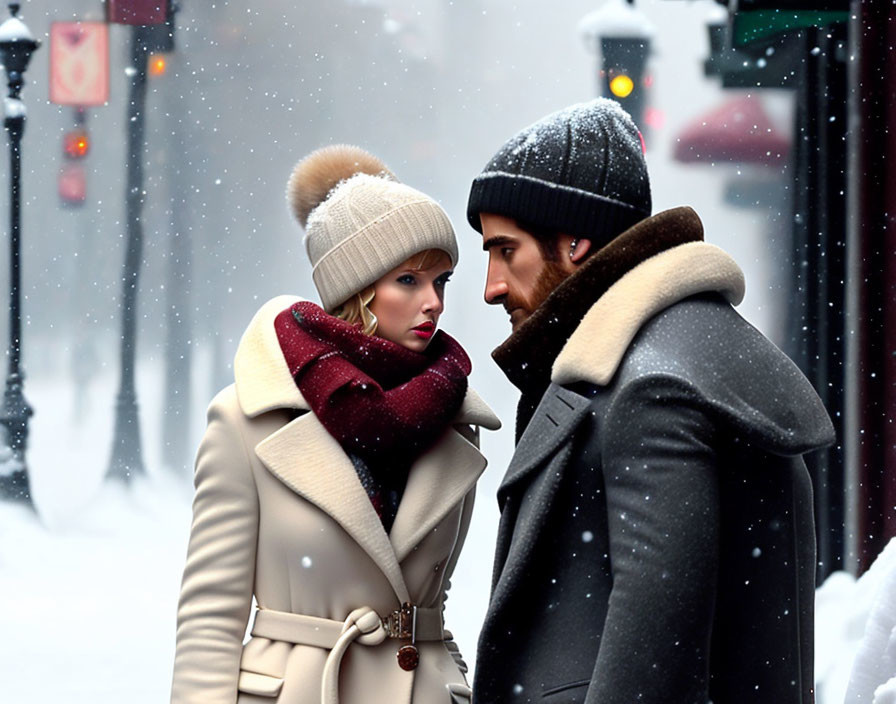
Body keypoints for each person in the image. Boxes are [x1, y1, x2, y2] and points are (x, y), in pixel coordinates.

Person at [467, 99, 835, 704]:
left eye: (506, 250)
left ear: (576, 240)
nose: (492, 288)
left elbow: (654, 652)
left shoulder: (647, 388)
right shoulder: (680, 353)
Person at [170, 145, 499, 704]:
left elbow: (431, 614)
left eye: (440, 281)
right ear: (359, 286)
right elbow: (209, 618)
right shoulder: (247, 420)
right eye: (409, 280)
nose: (434, 303)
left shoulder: (451, 418)